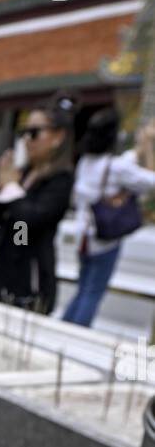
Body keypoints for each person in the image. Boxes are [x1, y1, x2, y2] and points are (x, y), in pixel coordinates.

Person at [0, 95, 75, 314]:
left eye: (34, 133)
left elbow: (28, 222)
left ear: (58, 137)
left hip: (30, 276)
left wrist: (12, 189)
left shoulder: (60, 179)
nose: (27, 140)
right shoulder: (23, 174)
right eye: (24, 133)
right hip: (3, 269)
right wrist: (1, 188)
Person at [62, 109, 155, 327]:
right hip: (105, 238)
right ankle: (76, 332)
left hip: (83, 235)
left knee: (83, 288)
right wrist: (149, 147)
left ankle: (64, 328)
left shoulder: (86, 162)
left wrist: (143, 143)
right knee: (93, 292)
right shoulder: (116, 167)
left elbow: (129, 160)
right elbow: (151, 180)